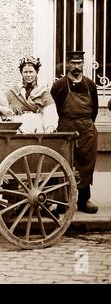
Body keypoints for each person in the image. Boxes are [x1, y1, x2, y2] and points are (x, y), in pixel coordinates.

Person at [51, 51, 99, 214]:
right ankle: (62, 201)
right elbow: (54, 109)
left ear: (83, 64)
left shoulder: (90, 85)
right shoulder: (59, 86)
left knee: (86, 164)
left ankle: (84, 200)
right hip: (66, 127)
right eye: (73, 63)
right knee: (64, 163)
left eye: (79, 63)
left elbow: (95, 111)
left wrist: (85, 124)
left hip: (86, 129)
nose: (76, 66)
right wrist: (67, 123)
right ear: (67, 64)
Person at [6, 56, 58, 133]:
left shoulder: (43, 91)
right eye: (25, 72)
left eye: (31, 72)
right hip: (19, 128)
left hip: (38, 126)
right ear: (21, 73)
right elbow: (6, 108)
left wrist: (49, 126)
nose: (28, 75)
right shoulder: (14, 91)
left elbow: (50, 111)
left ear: (36, 72)